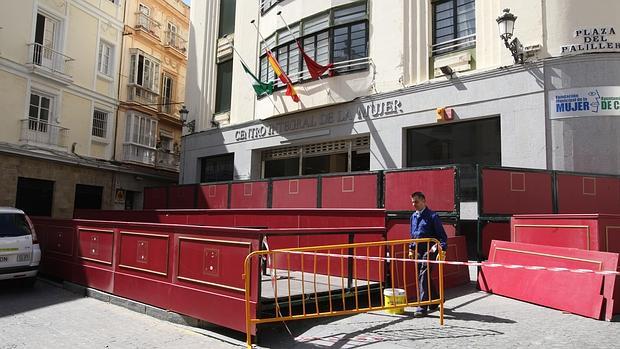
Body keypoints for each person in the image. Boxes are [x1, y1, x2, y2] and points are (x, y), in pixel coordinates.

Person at [409, 191, 448, 317]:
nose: (414, 204)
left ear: (424, 201)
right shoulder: (413, 217)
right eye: (413, 201)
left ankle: (422, 306)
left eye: (416, 201)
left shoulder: (433, 216)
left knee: (423, 275)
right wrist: (411, 248)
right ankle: (436, 298)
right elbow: (413, 234)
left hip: (429, 250)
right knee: (421, 276)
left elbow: (442, 237)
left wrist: (442, 250)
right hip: (418, 251)